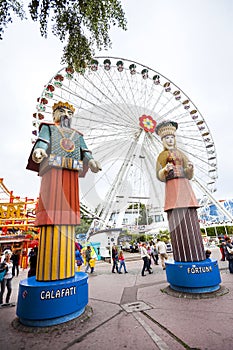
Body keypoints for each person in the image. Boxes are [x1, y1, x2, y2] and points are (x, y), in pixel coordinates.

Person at [26, 101, 101, 281]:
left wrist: (91, 162)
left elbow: (85, 152)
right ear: (54, 114)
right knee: (51, 209)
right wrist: (39, 151)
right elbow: (42, 143)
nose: (66, 114)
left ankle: (65, 271)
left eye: (69, 112)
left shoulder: (77, 135)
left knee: (69, 211)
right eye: (62, 111)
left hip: (70, 175)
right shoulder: (49, 128)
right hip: (52, 173)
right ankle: (49, 274)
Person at [155, 121, 206, 263]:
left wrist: (190, 168)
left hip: (184, 185)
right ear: (163, 140)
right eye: (167, 138)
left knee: (190, 210)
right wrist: (165, 170)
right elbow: (158, 175)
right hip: (172, 186)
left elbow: (189, 175)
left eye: (172, 137)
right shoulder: (162, 156)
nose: (170, 140)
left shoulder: (181, 154)